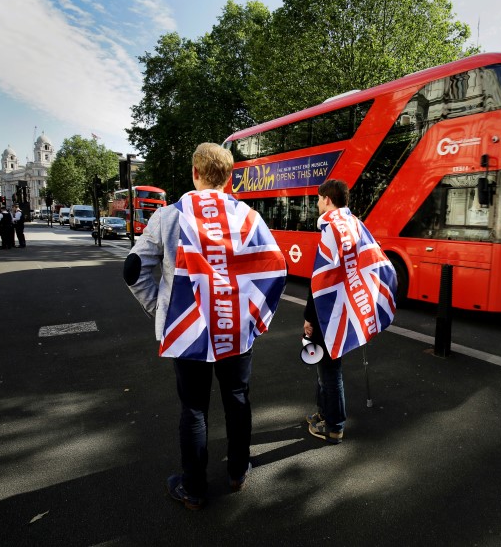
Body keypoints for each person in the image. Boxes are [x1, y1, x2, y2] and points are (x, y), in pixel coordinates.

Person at [123, 142, 287, 510]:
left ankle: (194, 488)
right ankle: (238, 471)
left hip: (188, 329)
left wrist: (162, 310)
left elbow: (133, 269)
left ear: (195, 173)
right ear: (229, 178)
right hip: (236, 329)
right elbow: (275, 268)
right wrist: (254, 317)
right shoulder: (248, 216)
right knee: (237, 398)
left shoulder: (169, 216)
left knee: (194, 408)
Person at [303, 179, 397, 444]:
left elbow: (319, 280)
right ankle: (324, 413)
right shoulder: (355, 223)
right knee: (326, 364)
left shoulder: (331, 228)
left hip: (329, 310)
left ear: (328, 200)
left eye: (319, 199)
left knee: (328, 369)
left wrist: (309, 318)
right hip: (344, 307)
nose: (317, 204)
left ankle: (334, 425)